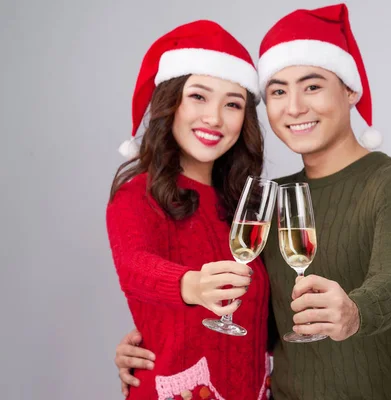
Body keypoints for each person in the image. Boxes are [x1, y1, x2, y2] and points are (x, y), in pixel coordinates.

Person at [114, 4, 391, 399]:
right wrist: (157, 342)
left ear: (351, 89)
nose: (294, 107)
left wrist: (355, 312)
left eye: (313, 86)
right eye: (278, 91)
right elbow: (261, 319)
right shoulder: (267, 199)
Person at [106, 19, 271, 400]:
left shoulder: (249, 206)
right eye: (199, 96)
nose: (214, 118)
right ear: (171, 102)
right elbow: (134, 266)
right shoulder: (136, 195)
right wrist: (190, 285)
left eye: (233, 104)